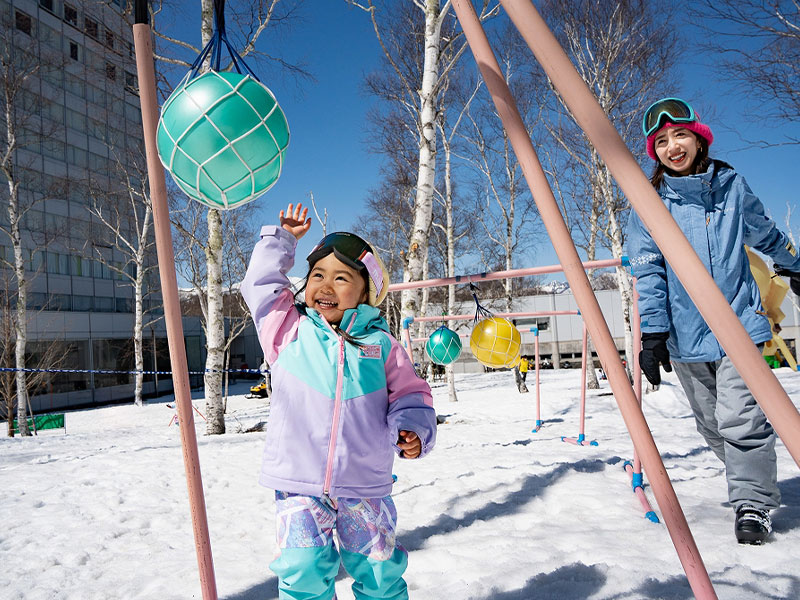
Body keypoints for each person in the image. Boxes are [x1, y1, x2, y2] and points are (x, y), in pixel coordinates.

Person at [240, 203, 437, 599]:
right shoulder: (287, 330)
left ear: (366, 292)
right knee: (302, 570)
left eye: (342, 277)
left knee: (379, 569)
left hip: (365, 483)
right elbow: (259, 287)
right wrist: (283, 241)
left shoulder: (381, 345)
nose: (325, 286)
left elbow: (413, 394)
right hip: (298, 482)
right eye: (317, 275)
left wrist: (414, 429)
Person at [627, 97, 800, 545]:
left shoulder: (731, 186)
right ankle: (752, 477)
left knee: (741, 419)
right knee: (711, 424)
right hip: (685, 336)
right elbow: (648, 271)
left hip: (740, 323)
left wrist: (793, 264)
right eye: (661, 141)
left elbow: (763, 231)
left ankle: (752, 504)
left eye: (680, 135)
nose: (672, 146)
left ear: (699, 140)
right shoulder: (648, 203)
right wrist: (655, 333)